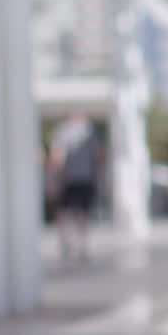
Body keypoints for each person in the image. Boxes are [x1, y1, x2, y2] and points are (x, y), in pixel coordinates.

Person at [49, 113, 103, 263]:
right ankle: (82, 247)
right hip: (83, 178)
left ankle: (67, 244)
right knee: (82, 213)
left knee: (65, 212)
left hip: (69, 179)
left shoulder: (63, 132)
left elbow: (56, 157)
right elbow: (98, 156)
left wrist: (54, 178)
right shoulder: (89, 132)